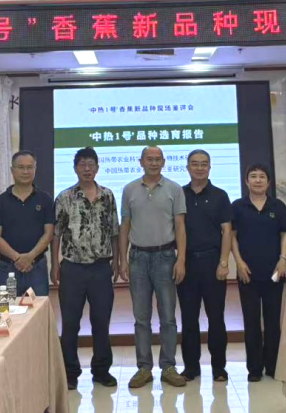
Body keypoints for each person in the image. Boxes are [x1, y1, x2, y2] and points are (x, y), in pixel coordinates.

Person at [119, 145, 188, 389]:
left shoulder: (174, 189)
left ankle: (168, 366)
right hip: (138, 258)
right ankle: (144, 368)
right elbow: (125, 226)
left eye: (158, 159)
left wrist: (181, 259)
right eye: (149, 159)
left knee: (168, 317)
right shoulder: (129, 189)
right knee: (141, 318)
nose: (154, 163)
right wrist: (122, 259)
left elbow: (180, 227)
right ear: (141, 162)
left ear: (164, 162)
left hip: (166, 257)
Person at [52, 147, 120, 391]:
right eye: (82, 164)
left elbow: (114, 231)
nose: (87, 169)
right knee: (71, 323)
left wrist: (117, 261)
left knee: (101, 322)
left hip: (101, 268)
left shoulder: (108, 196)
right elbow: (56, 234)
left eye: (91, 164)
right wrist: (54, 264)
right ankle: (70, 373)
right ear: (75, 168)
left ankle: (101, 371)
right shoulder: (65, 197)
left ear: (98, 168)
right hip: (72, 268)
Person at [231, 164, 286, 382]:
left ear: (268, 182)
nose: (258, 180)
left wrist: (283, 260)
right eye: (253, 176)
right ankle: (254, 368)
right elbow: (232, 236)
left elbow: (285, 234)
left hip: (274, 271)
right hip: (247, 272)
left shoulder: (278, 206)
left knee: (273, 321)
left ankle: (273, 366)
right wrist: (238, 262)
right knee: (251, 320)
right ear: (246, 181)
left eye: (262, 177)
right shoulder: (238, 206)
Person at [177, 148, 232, 382]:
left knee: (216, 317)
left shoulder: (220, 195)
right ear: (187, 167)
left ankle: (219, 367)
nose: (199, 168)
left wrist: (223, 262)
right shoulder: (179, 194)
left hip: (212, 262)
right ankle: (191, 367)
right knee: (189, 319)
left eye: (203, 164)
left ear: (209, 167)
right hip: (187, 263)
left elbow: (227, 231)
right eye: (195, 163)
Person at [0, 150, 55, 296]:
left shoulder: (45, 199)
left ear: (35, 169)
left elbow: (49, 234)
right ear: (12, 170)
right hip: (8, 268)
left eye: (29, 167)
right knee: (7, 309)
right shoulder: (0, 201)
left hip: (37, 268)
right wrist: (18, 258)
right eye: (21, 167)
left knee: (37, 308)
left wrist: (30, 257)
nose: (25, 171)